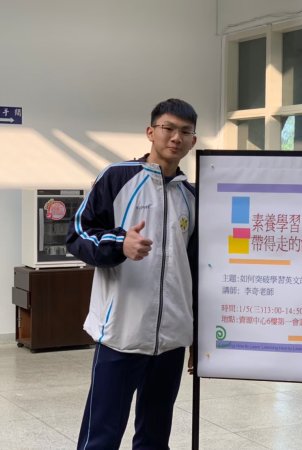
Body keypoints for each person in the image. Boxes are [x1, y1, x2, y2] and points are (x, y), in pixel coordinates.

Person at [66, 98, 198, 449]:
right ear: (151, 132)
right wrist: (119, 243)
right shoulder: (117, 177)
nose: (176, 138)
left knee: (154, 438)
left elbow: (196, 270)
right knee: (101, 437)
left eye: (185, 132)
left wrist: (196, 334)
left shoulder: (191, 196)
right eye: (168, 128)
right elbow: (77, 235)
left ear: (193, 141)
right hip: (121, 334)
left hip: (171, 340)